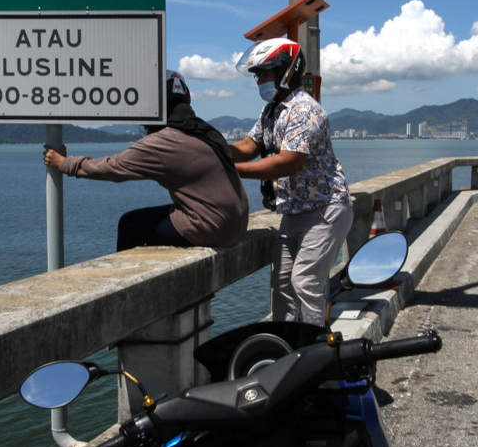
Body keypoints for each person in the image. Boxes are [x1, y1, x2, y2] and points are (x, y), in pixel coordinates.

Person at [43, 71, 249, 251]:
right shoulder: (206, 131)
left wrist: (64, 163)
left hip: (211, 229)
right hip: (237, 226)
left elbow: (112, 168)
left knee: (129, 224)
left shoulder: (164, 142)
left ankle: (127, 293)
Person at [230, 38, 353, 325]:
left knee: (305, 283)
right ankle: (286, 344)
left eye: (264, 73)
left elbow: (288, 161)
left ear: (287, 71)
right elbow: (250, 145)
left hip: (325, 209)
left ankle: (314, 348)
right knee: (282, 285)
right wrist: (214, 152)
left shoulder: (305, 110)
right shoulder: (272, 109)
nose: (259, 80)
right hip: (293, 210)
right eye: (257, 75)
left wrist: (234, 171)